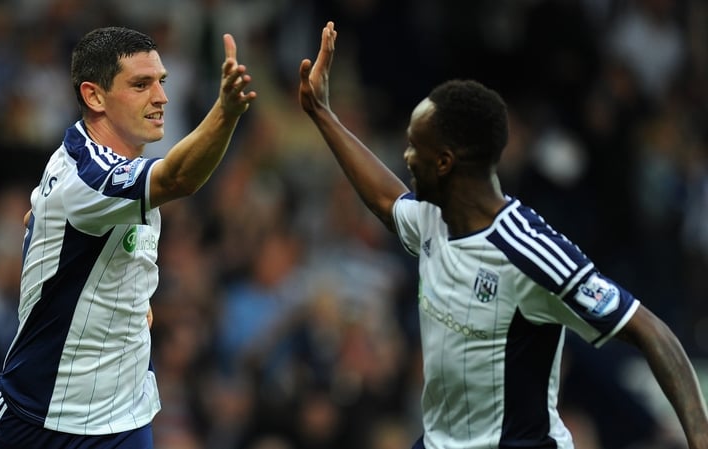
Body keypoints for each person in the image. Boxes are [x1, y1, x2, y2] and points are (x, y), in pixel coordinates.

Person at [298, 21, 708, 449]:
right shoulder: (432, 220)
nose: (405, 157)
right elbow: (386, 200)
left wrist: (700, 438)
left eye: (413, 146)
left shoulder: (528, 252)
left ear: (444, 162)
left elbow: (650, 331)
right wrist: (323, 115)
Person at [0, 26, 256, 449]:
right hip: (39, 419)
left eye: (161, 82)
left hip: (123, 420)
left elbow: (45, 220)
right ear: (94, 96)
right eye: (141, 85)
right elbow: (179, 177)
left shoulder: (108, 167)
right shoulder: (90, 180)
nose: (160, 98)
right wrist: (226, 112)